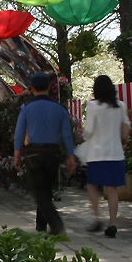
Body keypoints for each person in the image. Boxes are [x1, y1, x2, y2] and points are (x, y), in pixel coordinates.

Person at [14, 72, 77, 236]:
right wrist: (71, 156)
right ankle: (41, 225)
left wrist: (16, 154)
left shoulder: (26, 109)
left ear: (32, 88)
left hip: (33, 153)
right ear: (50, 86)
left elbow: (20, 134)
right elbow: (67, 135)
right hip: (53, 153)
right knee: (46, 189)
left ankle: (56, 223)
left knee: (39, 191)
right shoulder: (59, 109)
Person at [82, 75, 130, 238]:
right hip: (116, 153)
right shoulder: (121, 106)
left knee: (92, 185)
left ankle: (97, 218)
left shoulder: (93, 106)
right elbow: (125, 132)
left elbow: (88, 130)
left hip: (97, 153)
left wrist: (83, 137)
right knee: (112, 189)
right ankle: (112, 223)